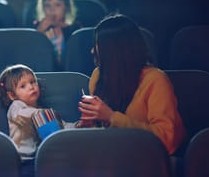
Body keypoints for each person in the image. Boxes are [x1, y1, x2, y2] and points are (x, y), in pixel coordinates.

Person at [76, 14, 185, 155]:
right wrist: (88, 125)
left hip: (146, 158)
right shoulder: (98, 75)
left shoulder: (156, 80)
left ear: (114, 50)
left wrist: (111, 117)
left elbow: (167, 140)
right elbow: (103, 132)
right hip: (110, 153)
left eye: (98, 45)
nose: (92, 51)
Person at [0, 64, 74, 177]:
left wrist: (78, 125)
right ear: (12, 95)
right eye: (23, 86)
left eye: (33, 82)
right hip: (24, 162)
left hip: (41, 157)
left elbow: (62, 126)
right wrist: (43, 114)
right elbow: (24, 115)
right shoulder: (16, 107)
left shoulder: (40, 109)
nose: (31, 87)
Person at [34, 0, 81, 70]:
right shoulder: (36, 26)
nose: (52, 10)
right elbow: (30, 51)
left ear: (66, 7)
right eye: (47, 5)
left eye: (57, 5)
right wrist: (39, 31)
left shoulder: (74, 28)